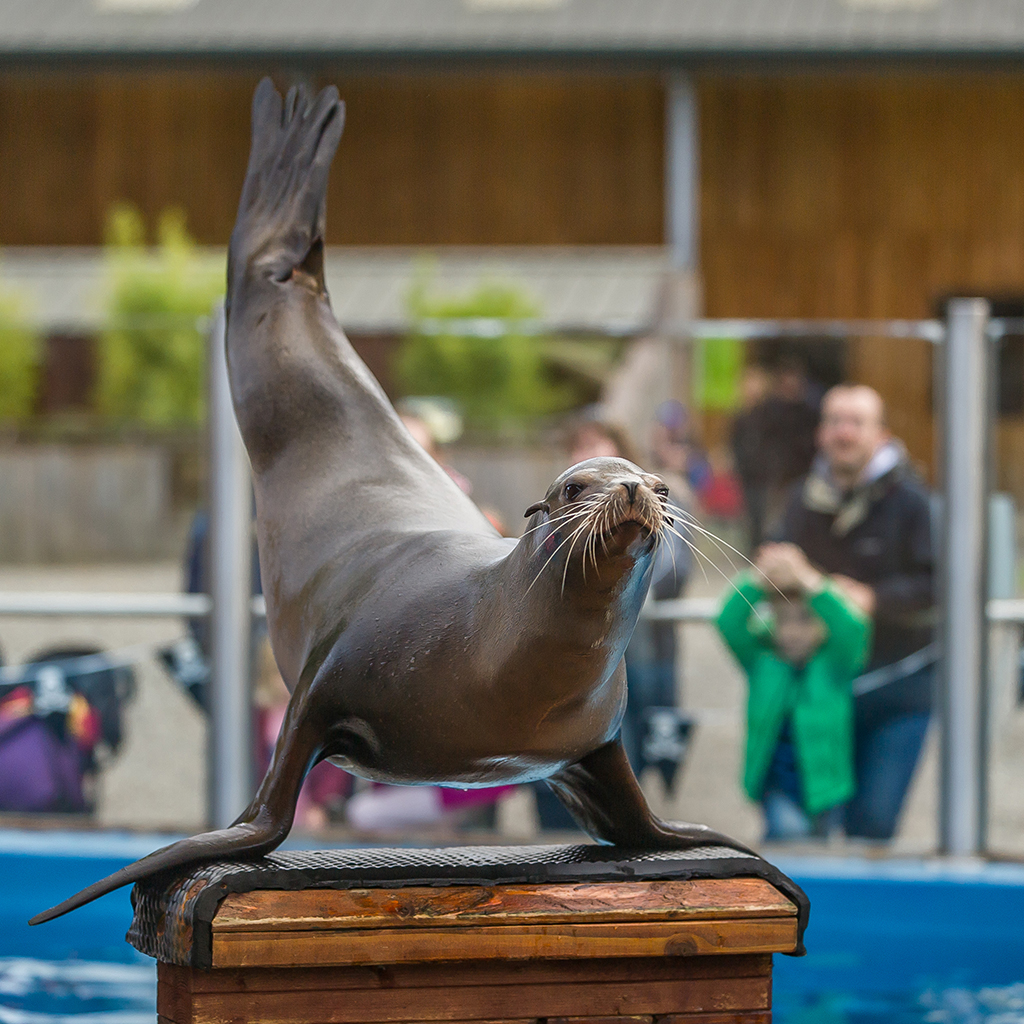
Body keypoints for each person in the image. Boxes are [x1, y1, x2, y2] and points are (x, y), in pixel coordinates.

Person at [777, 383, 935, 840]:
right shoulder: (800, 498)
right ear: (820, 432)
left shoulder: (914, 501)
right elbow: (766, 566)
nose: (843, 433)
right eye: (834, 421)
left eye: (856, 422)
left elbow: (942, 586)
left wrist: (872, 598)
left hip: (898, 688)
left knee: (874, 825)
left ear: (881, 435)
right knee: (808, 828)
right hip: (819, 689)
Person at [716, 543, 870, 841]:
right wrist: (760, 579)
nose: (792, 632)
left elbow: (852, 627)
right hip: (776, 785)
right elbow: (728, 620)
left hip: (826, 787)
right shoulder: (762, 660)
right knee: (790, 836)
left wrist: (809, 580)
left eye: (804, 620)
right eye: (782, 620)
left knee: (820, 857)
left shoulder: (835, 665)